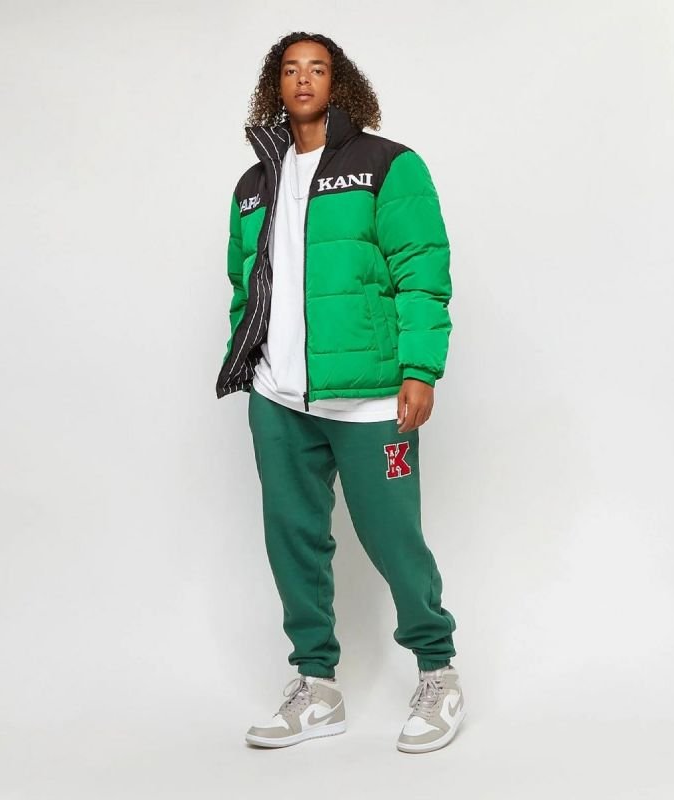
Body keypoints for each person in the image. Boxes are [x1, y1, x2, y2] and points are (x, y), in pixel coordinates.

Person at [215, 31, 464, 754]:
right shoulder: (254, 183)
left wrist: (419, 369)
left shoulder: (387, 165)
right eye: (290, 69)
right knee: (292, 540)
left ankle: (438, 671)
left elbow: (421, 268)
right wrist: (248, 357)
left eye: (317, 68)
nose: (303, 79)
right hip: (278, 397)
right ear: (275, 84)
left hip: (371, 399)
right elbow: (244, 285)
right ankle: (316, 686)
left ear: (338, 81)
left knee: (392, 536)